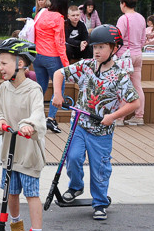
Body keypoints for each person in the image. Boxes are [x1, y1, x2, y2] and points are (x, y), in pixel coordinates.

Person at [51, 25, 139, 220]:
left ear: (114, 48)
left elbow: (135, 102)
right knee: (73, 158)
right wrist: (58, 94)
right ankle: (75, 187)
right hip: (80, 125)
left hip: (102, 131)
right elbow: (59, 73)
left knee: (100, 168)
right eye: (95, 47)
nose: (97, 51)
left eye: (101, 47)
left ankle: (99, 202)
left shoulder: (120, 75)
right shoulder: (86, 65)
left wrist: (113, 116)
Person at [0, 38, 47, 231]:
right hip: (10, 150)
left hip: (28, 152)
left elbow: (37, 114)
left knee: (31, 194)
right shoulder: (4, 89)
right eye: (0, 63)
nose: (0, 68)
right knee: (11, 192)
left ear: (21, 63)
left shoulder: (33, 89)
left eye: (4, 63)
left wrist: (28, 125)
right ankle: (17, 229)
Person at [33, 0, 70, 133]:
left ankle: (35, 116)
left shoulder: (41, 12)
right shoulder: (58, 17)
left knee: (40, 87)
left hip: (37, 55)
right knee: (58, 88)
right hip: (52, 56)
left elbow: (33, 31)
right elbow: (60, 42)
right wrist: (66, 65)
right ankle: (51, 119)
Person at [116, 0, 147, 126]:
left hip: (124, 56)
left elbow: (117, 39)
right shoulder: (141, 18)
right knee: (137, 86)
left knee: (123, 86)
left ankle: (120, 118)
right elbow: (143, 40)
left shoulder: (123, 19)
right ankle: (139, 116)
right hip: (137, 54)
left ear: (123, 3)